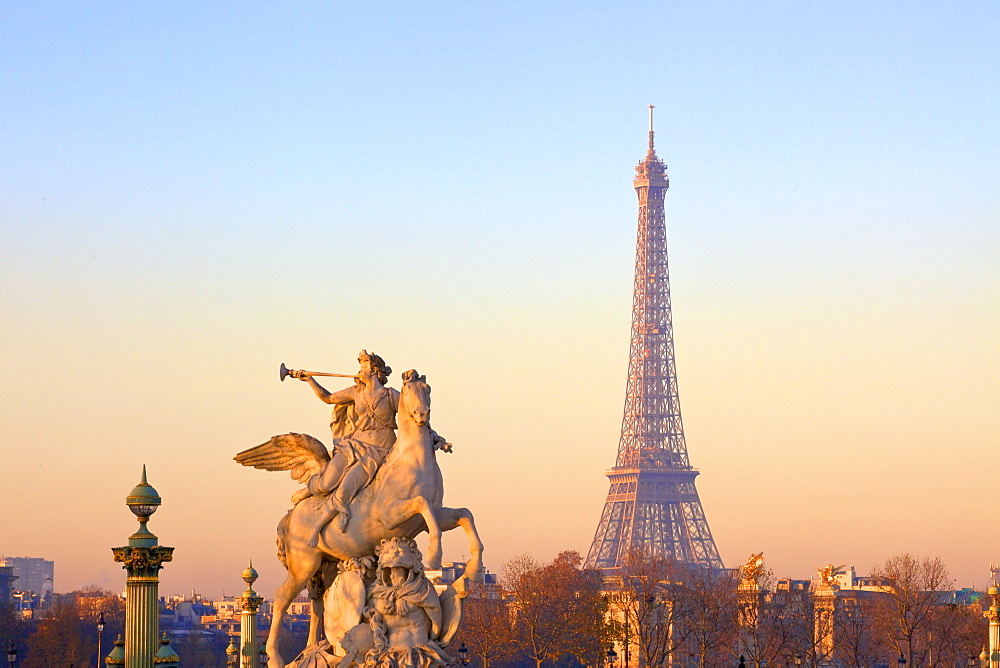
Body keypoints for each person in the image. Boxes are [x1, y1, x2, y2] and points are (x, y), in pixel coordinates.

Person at [291, 350, 399, 544]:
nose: (359, 370)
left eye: (363, 366)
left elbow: (415, 415)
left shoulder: (391, 395)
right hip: (354, 446)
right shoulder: (355, 392)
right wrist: (309, 380)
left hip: (378, 452)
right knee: (326, 483)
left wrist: (433, 437)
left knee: (346, 488)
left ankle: (319, 527)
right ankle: (311, 488)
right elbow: (328, 398)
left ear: (374, 370)